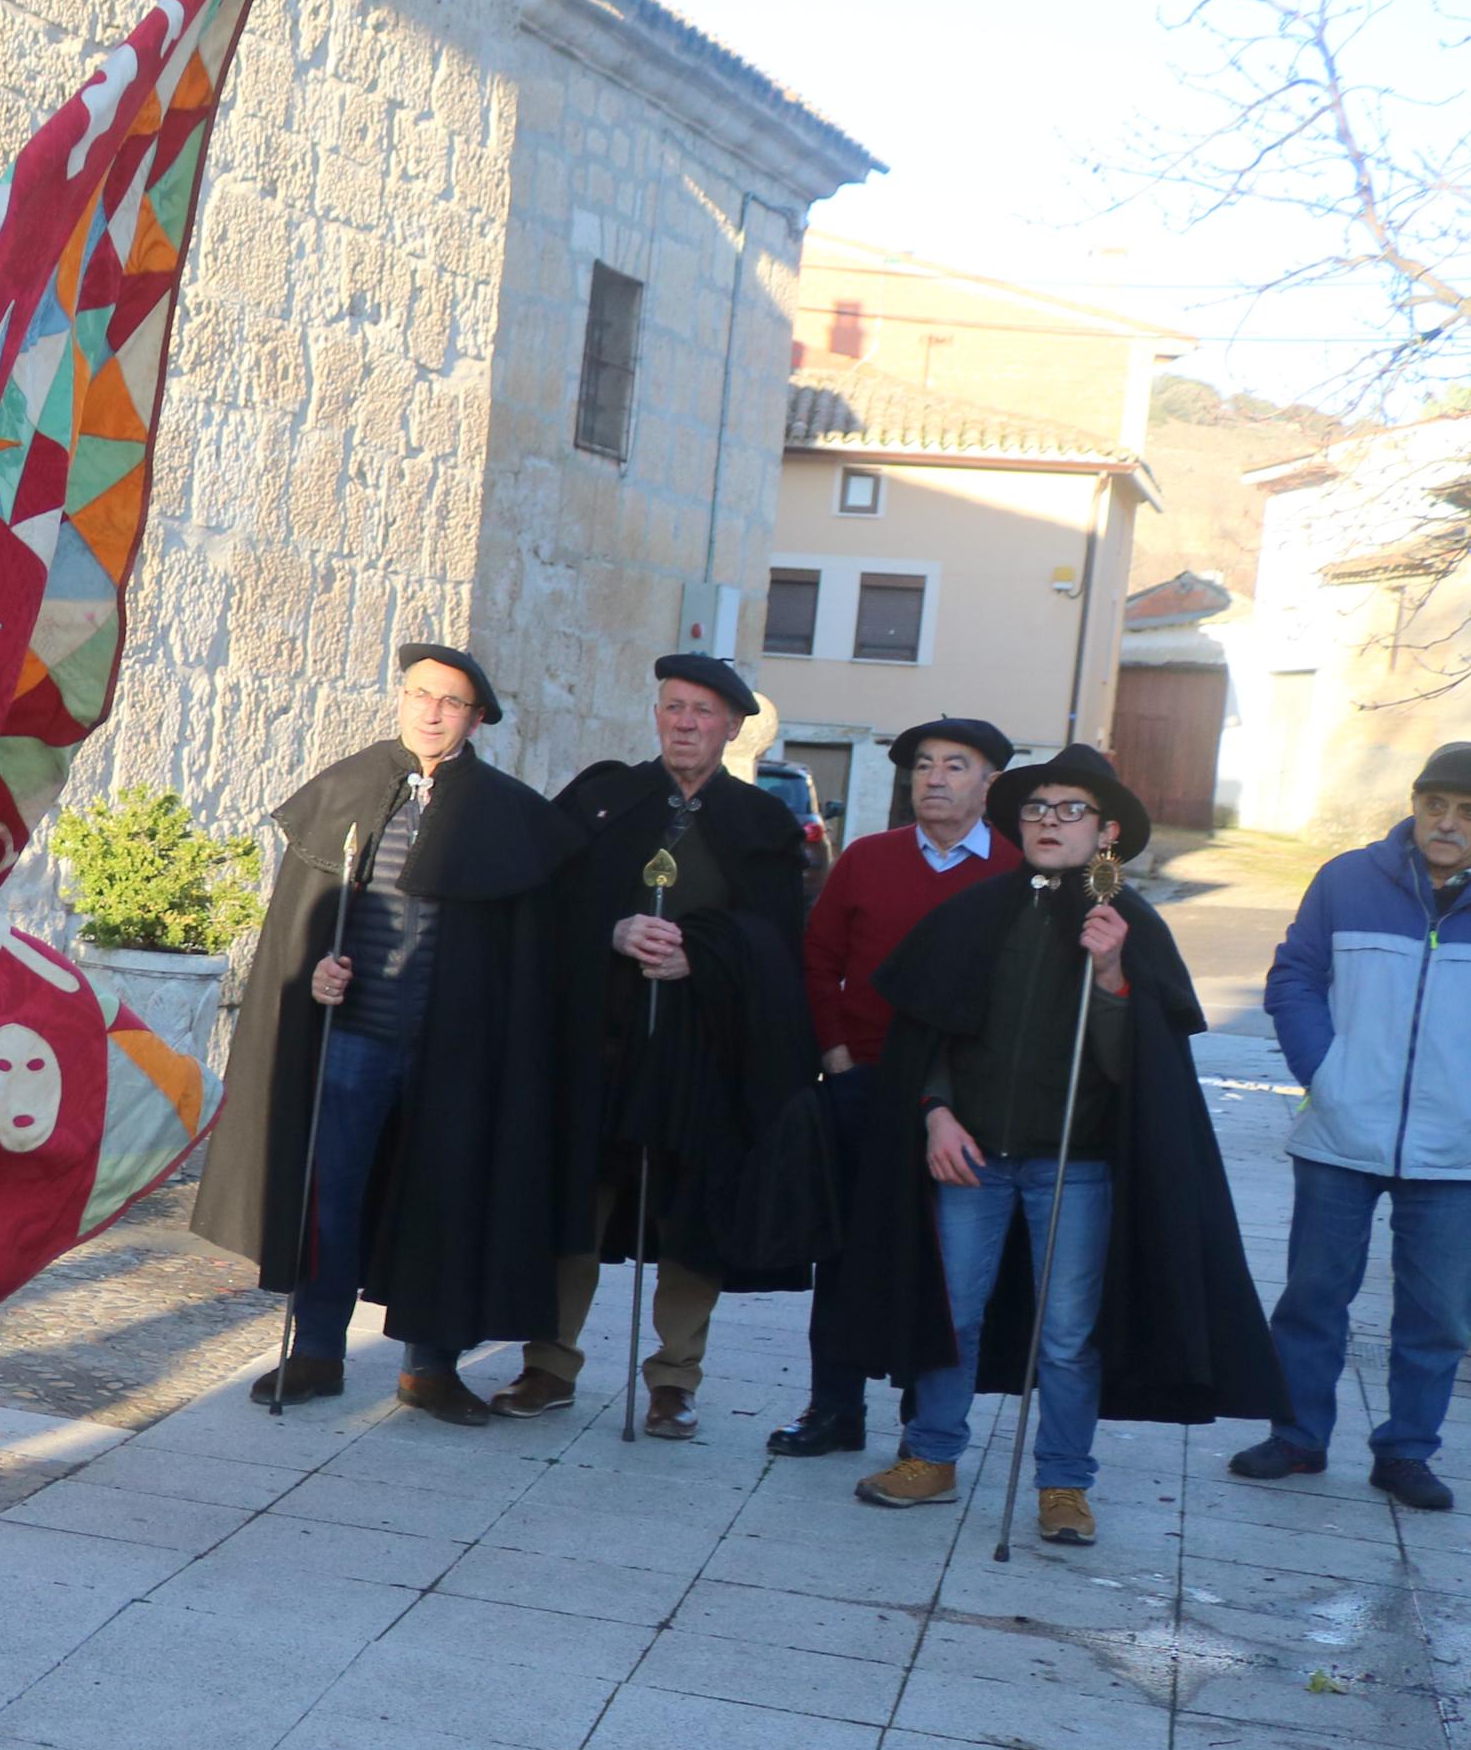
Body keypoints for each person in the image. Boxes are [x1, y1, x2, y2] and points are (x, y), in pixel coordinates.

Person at [841, 745, 1283, 1539]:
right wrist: (935, 1111)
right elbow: (931, 1033)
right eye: (1036, 809)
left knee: (1068, 1334)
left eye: (1068, 810)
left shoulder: (1130, 927)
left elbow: (1137, 1070)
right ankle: (932, 1455)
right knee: (955, 1314)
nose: (1047, 822)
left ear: (1105, 831)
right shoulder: (977, 910)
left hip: (1074, 1168)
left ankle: (1062, 1483)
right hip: (971, 1157)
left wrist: (1112, 976)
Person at [193, 642, 586, 1425]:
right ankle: (316, 1352)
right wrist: (316, 977)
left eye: (450, 703)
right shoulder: (347, 787)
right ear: (400, 699)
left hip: (457, 1053)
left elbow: (530, 961)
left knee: (443, 1200)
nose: (431, 712)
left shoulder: (507, 814)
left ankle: (430, 1368)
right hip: (355, 1039)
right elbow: (300, 930)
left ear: (475, 720)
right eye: (419, 695)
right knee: (330, 1196)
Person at [499, 655, 812, 1435]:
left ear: (731, 727)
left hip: (702, 1047)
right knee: (577, 1201)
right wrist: (611, 929)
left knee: (689, 1213)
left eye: (702, 712)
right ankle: (548, 1362)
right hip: (597, 1042)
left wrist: (698, 956)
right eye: (672, 707)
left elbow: (777, 944)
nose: (683, 723)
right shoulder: (602, 798)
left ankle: (674, 1378)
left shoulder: (764, 825)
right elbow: (543, 905)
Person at [767, 717, 1021, 1457]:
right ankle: (833, 1408)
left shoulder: (1012, 872)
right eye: (923, 765)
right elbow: (818, 959)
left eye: (954, 764)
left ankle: (925, 1417)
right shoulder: (866, 860)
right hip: (865, 1084)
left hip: (965, 1105)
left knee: (946, 1263)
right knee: (843, 1253)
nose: (934, 778)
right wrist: (837, 1054)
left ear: (988, 783)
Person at [1228, 741, 1471, 1510]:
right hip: (1339, 1132)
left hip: (1454, 1149)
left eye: (1465, 812)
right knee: (1312, 1292)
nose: (1447, 822)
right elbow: (1293, 976)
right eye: (1435, 805)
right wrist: (1323, 1075)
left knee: (1435, 1313)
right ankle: (1298, 1436)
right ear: (1414, 803)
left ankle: (1405, 1451)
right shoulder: (1345, 880)